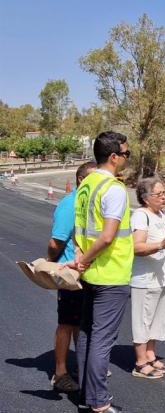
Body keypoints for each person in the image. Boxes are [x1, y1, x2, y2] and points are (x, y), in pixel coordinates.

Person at [68, 131, 138, 413]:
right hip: (111, 273)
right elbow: (108, 236)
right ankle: (99, 404)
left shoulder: (86, 186)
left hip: (91, 274)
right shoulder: (114, 189)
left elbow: (79, 231)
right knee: (102, 339)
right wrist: (84, 259)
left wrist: (81, 260)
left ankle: (87, 396)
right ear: (113, 156)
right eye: (126, 154)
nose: (126, 159)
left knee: (86, 333)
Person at [47, 161, 96, 393]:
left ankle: (80, 365)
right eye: (94, 179)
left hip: (87, 273)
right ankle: (60, 373)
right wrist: (52, 265)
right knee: (67, 323)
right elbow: (56, 242)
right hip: (70, 275)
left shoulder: (89, 202)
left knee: (81, 322)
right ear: (81, 180)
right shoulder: (71, 204)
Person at [130, 177, 165, 379]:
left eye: (164, 193)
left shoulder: (160, 215)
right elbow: (137, 247)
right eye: (158, 194)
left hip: (162, 278)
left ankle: (150, 355)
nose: (163, 197)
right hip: (146, 279)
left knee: (156, 320)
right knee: (143, 320)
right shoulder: (140, 216)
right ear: (145, 198)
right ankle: (140, 362)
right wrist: (160, 245)